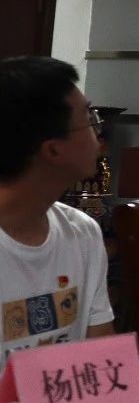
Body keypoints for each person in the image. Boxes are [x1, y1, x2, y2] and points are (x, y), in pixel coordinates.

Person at [0, 57, 115, 367]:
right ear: (53, 149)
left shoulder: (82, 232)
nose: (99, 135)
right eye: (89, 120)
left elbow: (101, 364)